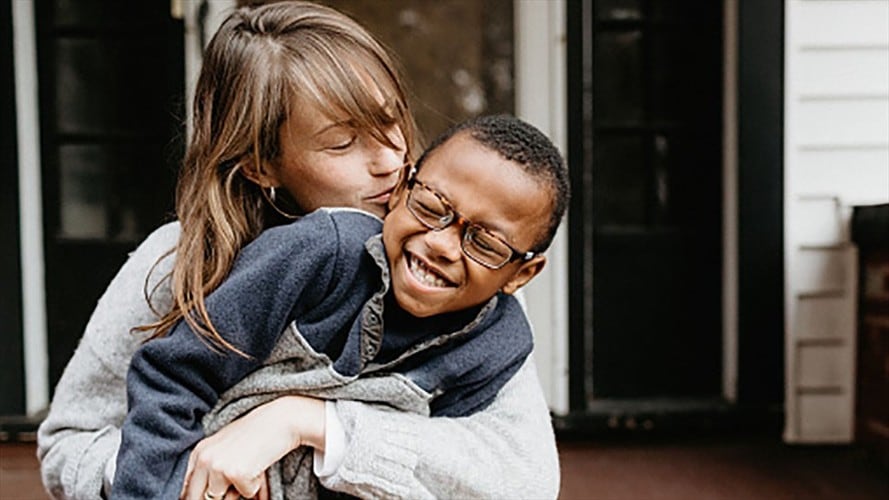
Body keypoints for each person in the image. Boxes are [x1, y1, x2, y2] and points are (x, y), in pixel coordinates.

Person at [36, 2, 560, 499]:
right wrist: (191, 477)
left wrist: (307, 424)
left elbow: (521, 473)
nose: (389, 159)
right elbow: (68, 443)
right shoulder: (176, 264)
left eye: (390, 120)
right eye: (342, 143)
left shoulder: (461, 282)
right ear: (262, 163)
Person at [113, 114, 570, 500]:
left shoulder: (496, 345)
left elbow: (477, 476)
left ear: (520, 275)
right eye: (432, 206)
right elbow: (173, 376)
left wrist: (310, 423)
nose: (441, 244)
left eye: (484, 243)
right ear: (401, 189)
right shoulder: (319, 253)